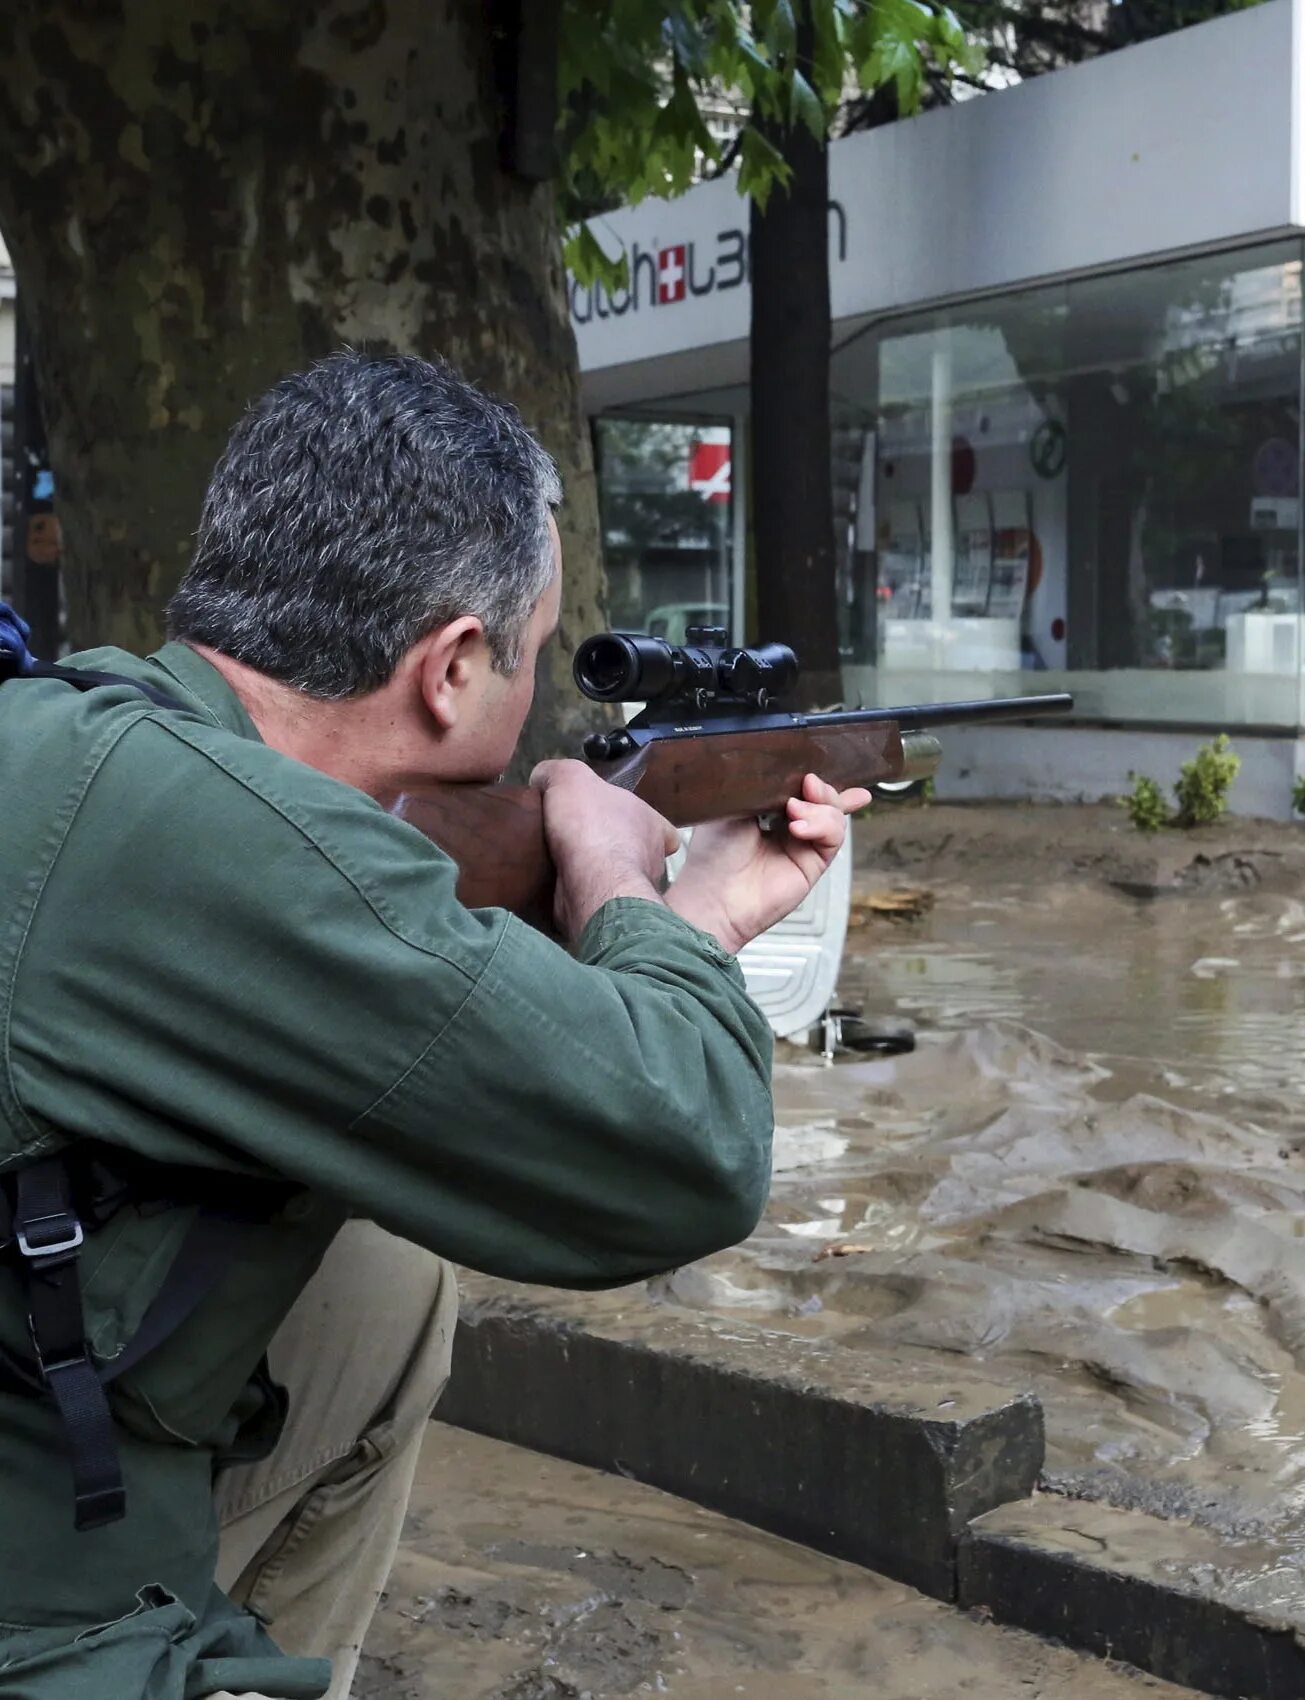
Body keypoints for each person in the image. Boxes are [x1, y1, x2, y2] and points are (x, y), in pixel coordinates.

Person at [0, 352, 866, 1700]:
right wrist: (625, 886)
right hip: (28, 1584)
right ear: (456, 667)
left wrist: (675, 914)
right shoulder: (234, 856)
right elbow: (686, 1147)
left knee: (378, 1293)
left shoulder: (82, 736)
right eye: (535, 648)